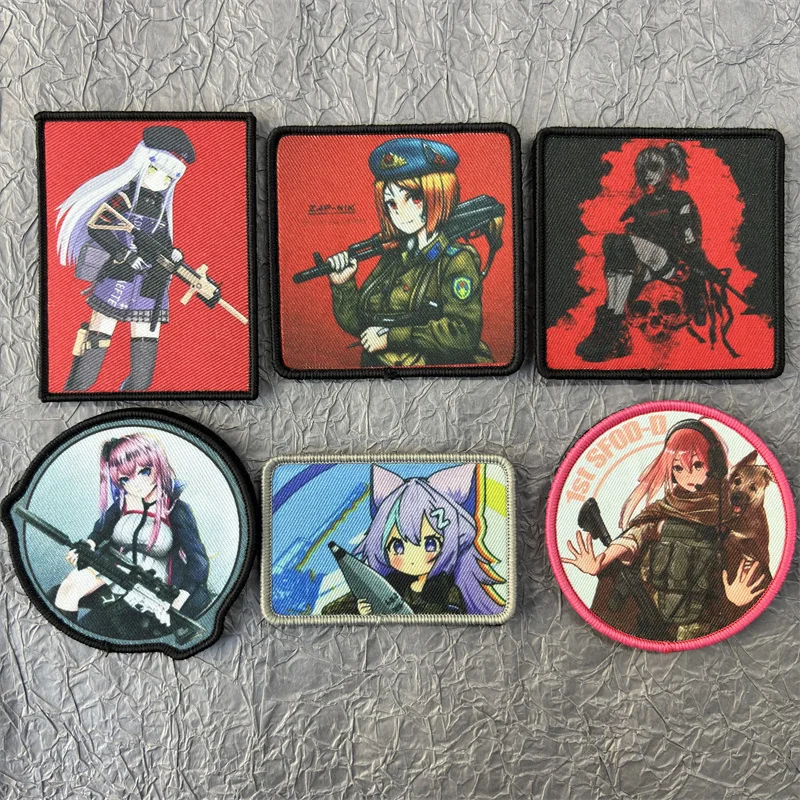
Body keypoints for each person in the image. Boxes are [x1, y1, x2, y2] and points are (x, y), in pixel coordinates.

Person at [562, 420, 767, 641]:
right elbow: (636, 535)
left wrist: (735, 602)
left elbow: (748, 561)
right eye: (678, 468)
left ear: (715, 464)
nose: (688, 475)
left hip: (704, 631)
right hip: (653, 621)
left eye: (697, 465)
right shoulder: (663, 510)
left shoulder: (730, 514)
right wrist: (601, 561)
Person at [326, 138, 495, 367]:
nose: (401, 212)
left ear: (439, 195)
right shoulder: (395, 255)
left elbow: (463, 334)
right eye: (391, 204)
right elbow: (362, 323)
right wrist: (343, 284)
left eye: (414, 198)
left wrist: (392, 337)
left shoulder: (455, 260)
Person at [56, 126, 195, 391]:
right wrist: (124, 253)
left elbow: (161, 239)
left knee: (146, 343)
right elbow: (97, 227)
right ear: (142, 163)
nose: (162, 181)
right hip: (120, 275)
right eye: (156, 170)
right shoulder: (123, 198)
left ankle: (137, 391)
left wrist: (172, 252)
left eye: (170, 177)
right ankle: (78, 386)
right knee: (100, 334)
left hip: (152, 281)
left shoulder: (160, 207)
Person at [577, 142, 726, 362]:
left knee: (622, 242)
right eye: (644, 170)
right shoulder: (641, 204)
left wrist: (700, 268)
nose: (648, 175)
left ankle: (614, 324)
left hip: (672, 263)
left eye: (654, 169)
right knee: (612, 242)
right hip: (647, 267)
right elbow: (632, 241)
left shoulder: (680, 200)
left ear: (668, 170)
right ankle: (612, 322)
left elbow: (691, 239)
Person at [52, 433, 211, 639]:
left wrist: (182, 595)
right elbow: (100, 530)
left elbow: (198, 560)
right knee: (67, 589)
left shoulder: (176, 510)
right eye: (125, 479)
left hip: (154, 585)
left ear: (158, 465)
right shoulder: (122, 505)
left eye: (144, 471)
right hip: (115, 570)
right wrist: (88, 545)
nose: (136, 484)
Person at [321, 464, 505, 615]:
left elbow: (453, 623)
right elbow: (329, 611)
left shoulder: (447, 590)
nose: (413, 557)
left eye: (430, 543)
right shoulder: (389, 584)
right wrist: (361, 612)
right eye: (398, 546)